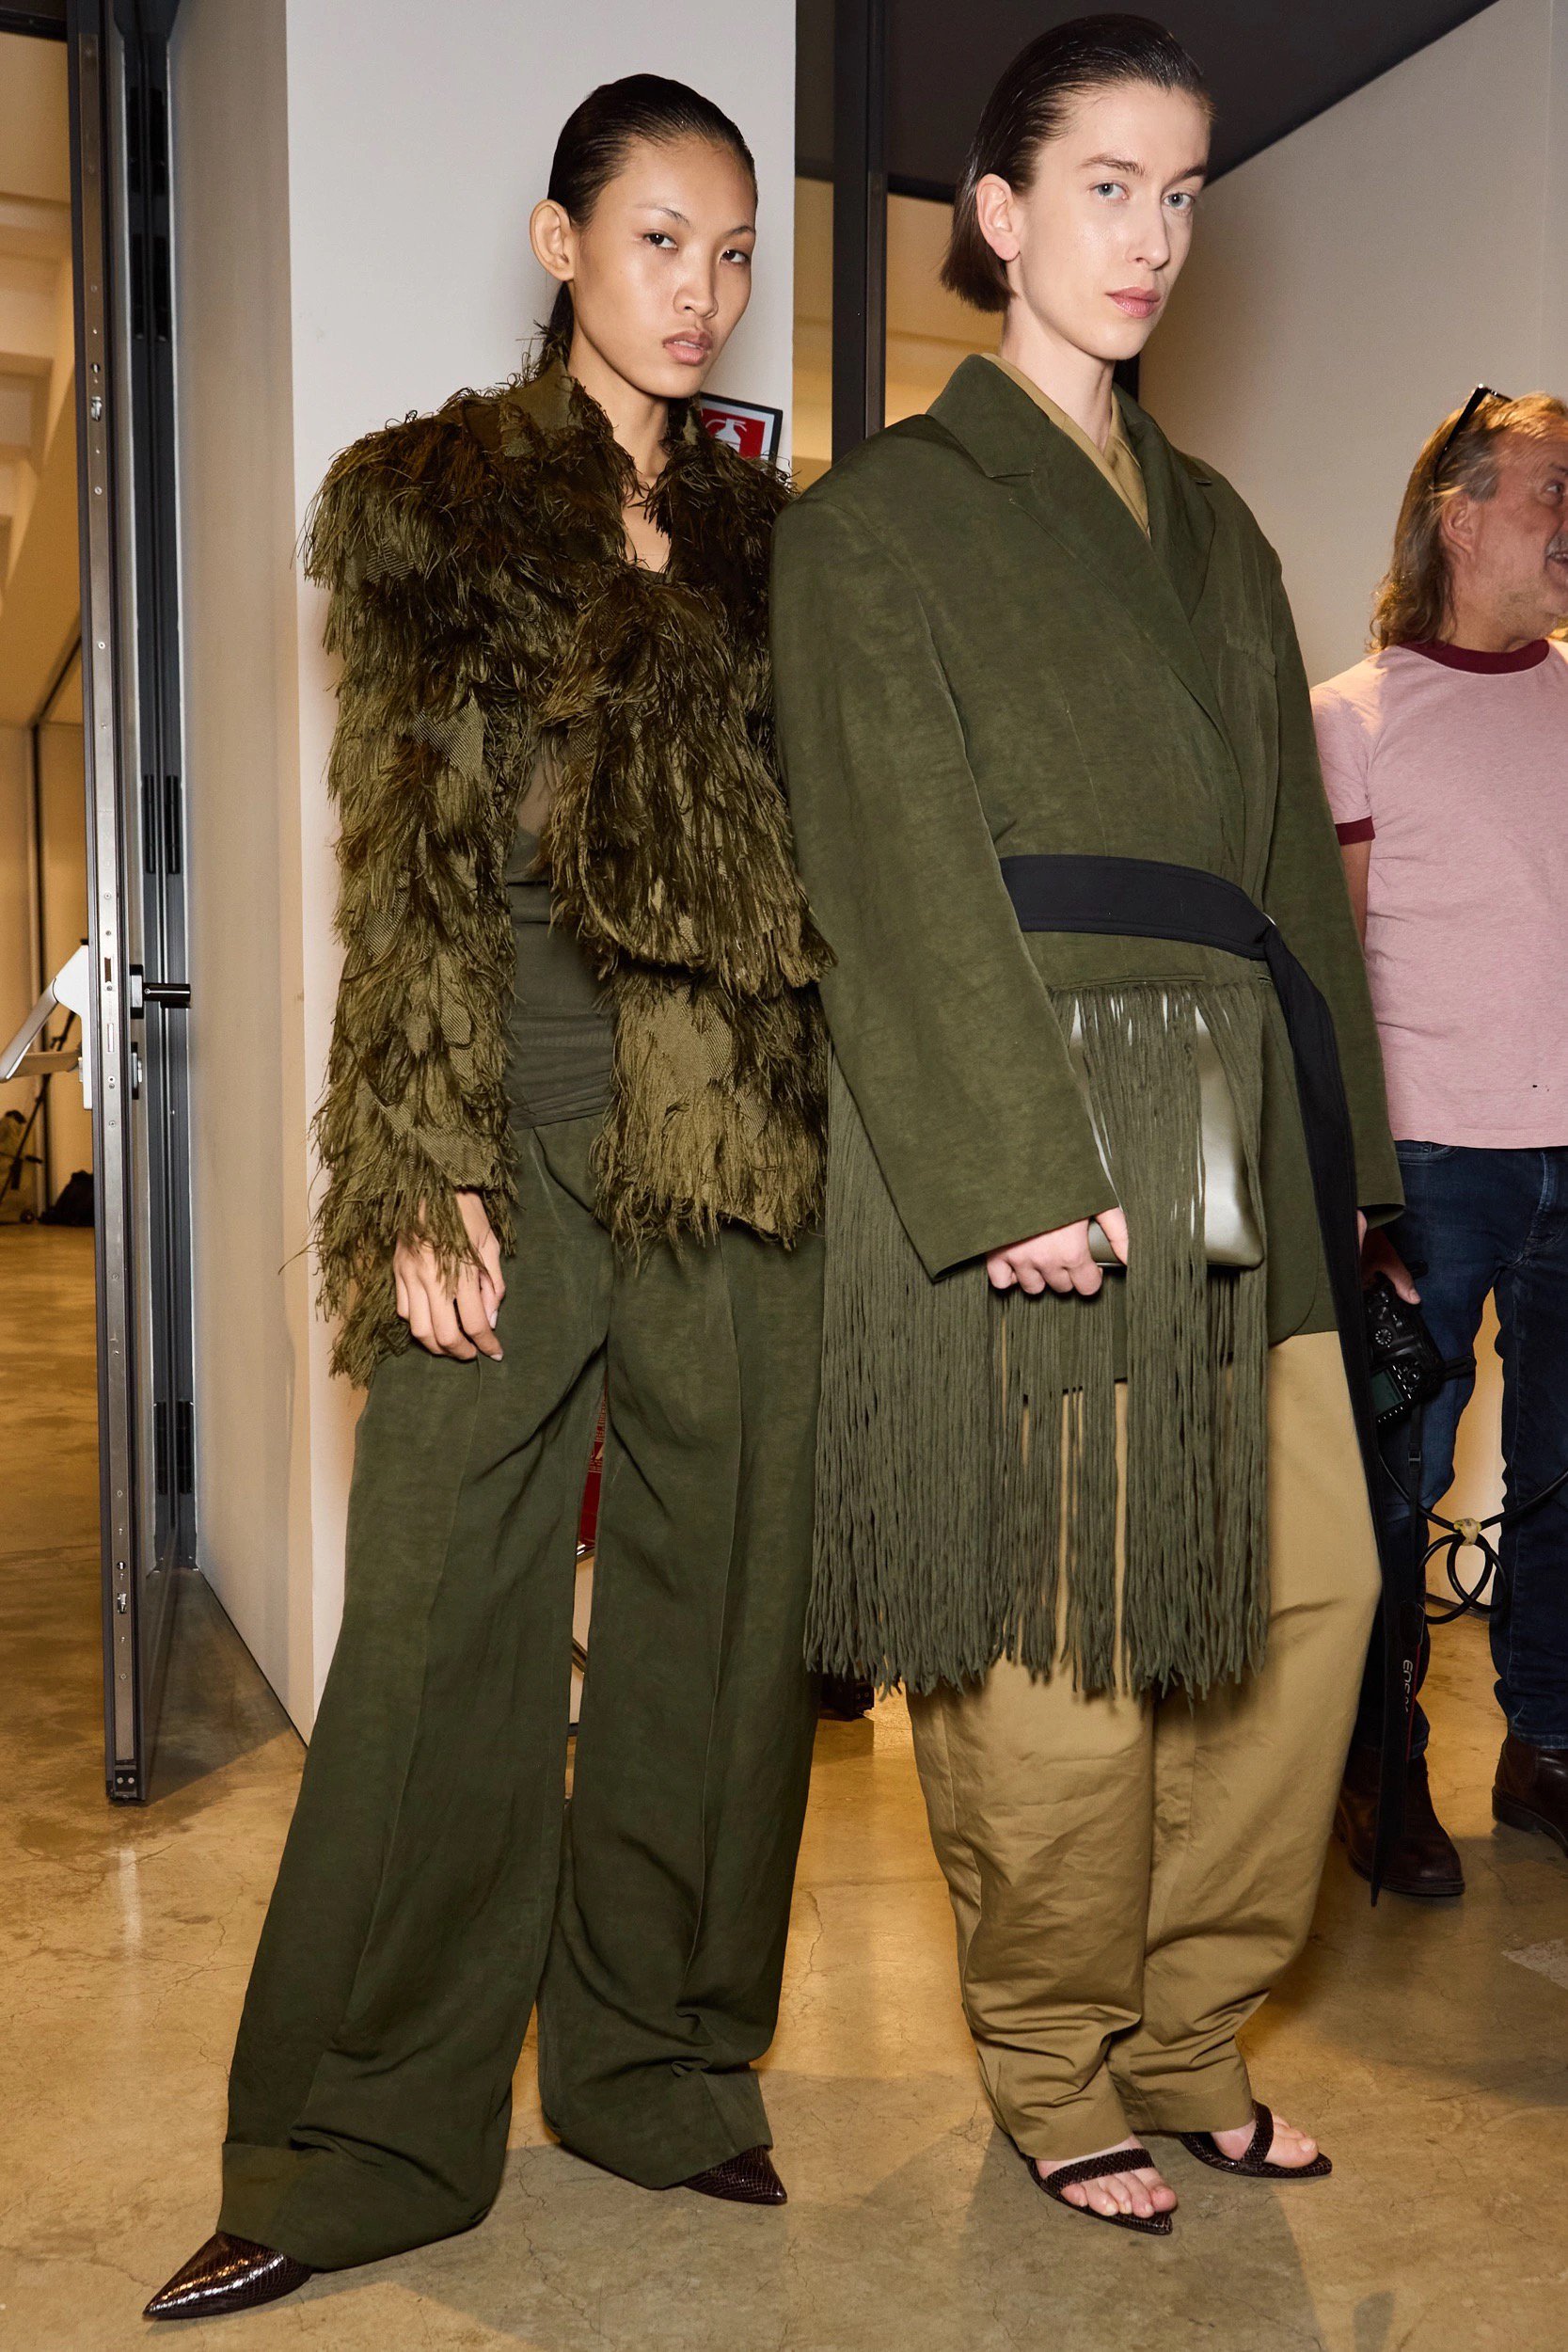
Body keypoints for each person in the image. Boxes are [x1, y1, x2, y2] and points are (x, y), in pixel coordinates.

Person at [146, 76, 828, 2325]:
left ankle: (660, 2065)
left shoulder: (775, 543)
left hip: (737, 1137)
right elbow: (405, 859)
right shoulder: (428, 502)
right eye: (660, 239)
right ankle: (350, 2137)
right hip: (512, 1122)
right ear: (561, 243)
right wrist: (415, 1160)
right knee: (442, 1615)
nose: (703, 290)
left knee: (716, 1620)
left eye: (735, 250)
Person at [771, 15, 1401, 2236]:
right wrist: (1009, 1167)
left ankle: (1193, 2026)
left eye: (1185, 192)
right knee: (1063, 1638)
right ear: (1000, 211)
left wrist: (1358, 1164)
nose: (1153, 236)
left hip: (1235, 1120)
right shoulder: (872, 524)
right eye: (1108, 186)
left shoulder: (1216, 529)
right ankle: (1055, 2058)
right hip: (1031, 1111)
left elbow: (1292, 872)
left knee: (1309, 1591)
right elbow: (885, 863)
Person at [1317, 389, 1568, 1898]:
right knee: (1394, 1476)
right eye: (1553, 488)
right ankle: (1380, 1764)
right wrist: (1355, 1189)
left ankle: (1546, 1748)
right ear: (1461, 517)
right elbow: (1331, 970)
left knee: (1567, 1471)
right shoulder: (1352, 715)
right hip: (1427, 1165)